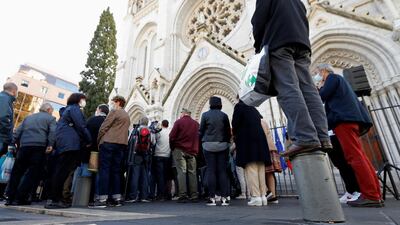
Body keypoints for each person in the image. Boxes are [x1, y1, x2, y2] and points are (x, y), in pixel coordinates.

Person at [251, 0, 331, 157]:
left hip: (278, 44)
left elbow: (258, 20)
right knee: (309, 90)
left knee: (287, 88)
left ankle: (305, 137)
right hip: (301, 44)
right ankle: (323, 137)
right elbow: (304, 18)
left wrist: (258, 47)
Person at [316, 63, 383, 207]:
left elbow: (321, 96)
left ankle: (371, 195)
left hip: (344, 121)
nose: (318, 76)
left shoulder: (332, 78)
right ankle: (375, 194)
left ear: (323, 71)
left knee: (354, 157)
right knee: (360, 156)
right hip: (350, 120)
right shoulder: (340, 82)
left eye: (318, 73)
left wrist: (318, 89)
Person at [45, 93, 92, 209]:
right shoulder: (74, 109)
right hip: (70, 144)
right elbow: (81, 126)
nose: (84, 102)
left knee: (60, 171)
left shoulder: (67, 110)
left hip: (64, 144)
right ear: (78, 100)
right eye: (83, 100)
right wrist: (89, 139)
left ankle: (53, 198)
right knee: (63, 172)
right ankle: (55, 199)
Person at [5, 103, 56, 205]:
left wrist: (12, 142)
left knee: (17, 172)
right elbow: (52, 132)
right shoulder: (51, 119)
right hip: (39, 147)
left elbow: (18, 131)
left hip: (24, 147)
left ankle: (10, 197)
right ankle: (20, 198)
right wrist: (50, 144)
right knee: (32, 173)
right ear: (49, 109)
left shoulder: (29, 118)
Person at [232, 99, 271, 206]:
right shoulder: (253, 108)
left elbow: (234, 123)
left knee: (251, 168)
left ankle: (256, 196)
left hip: (248, 143)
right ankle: (263, 196)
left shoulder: (239, 107)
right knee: (260, 168)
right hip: (260, 143)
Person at [93, 96, 130, 208]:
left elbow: (104, 127)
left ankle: (102, 199)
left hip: (108, 143)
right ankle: (116, 198)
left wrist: (99, 140)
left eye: (113, 102)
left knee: (104, 170)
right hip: (121, 145)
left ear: (118, 102)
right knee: (116, 171)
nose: (112, 104)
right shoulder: (127, 115)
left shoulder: (114, 111)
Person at [199, 97, 231, 206]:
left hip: (208, 145)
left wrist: (202, 142)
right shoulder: (224, 116)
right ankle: (224, 198)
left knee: (211, 171)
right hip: (222, 145)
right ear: (220, 104)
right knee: (222, 171)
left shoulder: (205, 115)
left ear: (210, 104)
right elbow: (228, 132)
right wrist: (226, 143)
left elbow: (201, 131)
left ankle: (212, 198)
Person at [169, 108, 200, 203]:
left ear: (183, 113)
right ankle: (194, 195)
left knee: (182, 171)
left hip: (180, 149)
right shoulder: (196, 124)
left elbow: (172, 136)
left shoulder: (178, 122)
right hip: (192, 151)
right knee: (192, 172)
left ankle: (183, 195)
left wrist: (172, 147)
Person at [86, 104, 109, 204]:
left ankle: (89, 196)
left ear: (99, 110)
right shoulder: (109, 122)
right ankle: (99, 195)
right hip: (105, 150)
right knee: (102, 172)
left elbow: (86, 133)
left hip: (92, 150)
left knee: (91, 173)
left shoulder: (92, 120)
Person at [126, 116, 152, 203]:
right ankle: (144, 196)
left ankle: (133, 196)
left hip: (136, 155)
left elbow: (131, 142)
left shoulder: (136, 130)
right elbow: (153, 143)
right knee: (144, 176)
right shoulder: (150, 131)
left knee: (135, 175)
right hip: (146, 156)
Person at [0, 82, 18, 200]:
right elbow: (3, 118)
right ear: (14, 91)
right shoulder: (5, 99)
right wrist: (9, 136)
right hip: (1, 137)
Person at [260, 119, 282, 204]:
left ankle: (269, 193)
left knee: (262, 172)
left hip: (265, 148)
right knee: (270, 173)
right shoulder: (264, 121)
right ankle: (273, 196)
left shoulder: (258, 122)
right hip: (271, 147)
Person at [151, 120, 171, 201]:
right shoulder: (170, 132)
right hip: (167, 155)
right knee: (166, 175)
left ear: (162, 125)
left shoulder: (159, 132)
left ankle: (160, 194)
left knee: (160, 176)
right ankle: (167, 194)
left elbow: (153, 142)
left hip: (158, 155)